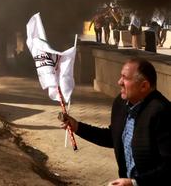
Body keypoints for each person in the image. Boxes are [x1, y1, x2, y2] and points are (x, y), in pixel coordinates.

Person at [60, 58, 170, 186]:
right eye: (120, 76)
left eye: (125, 78)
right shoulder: (121, 103)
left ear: (144, 86)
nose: (119, 82)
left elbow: (169, 167)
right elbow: (113, 137)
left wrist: (135, 183)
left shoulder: (162, 112)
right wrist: (78, 127)